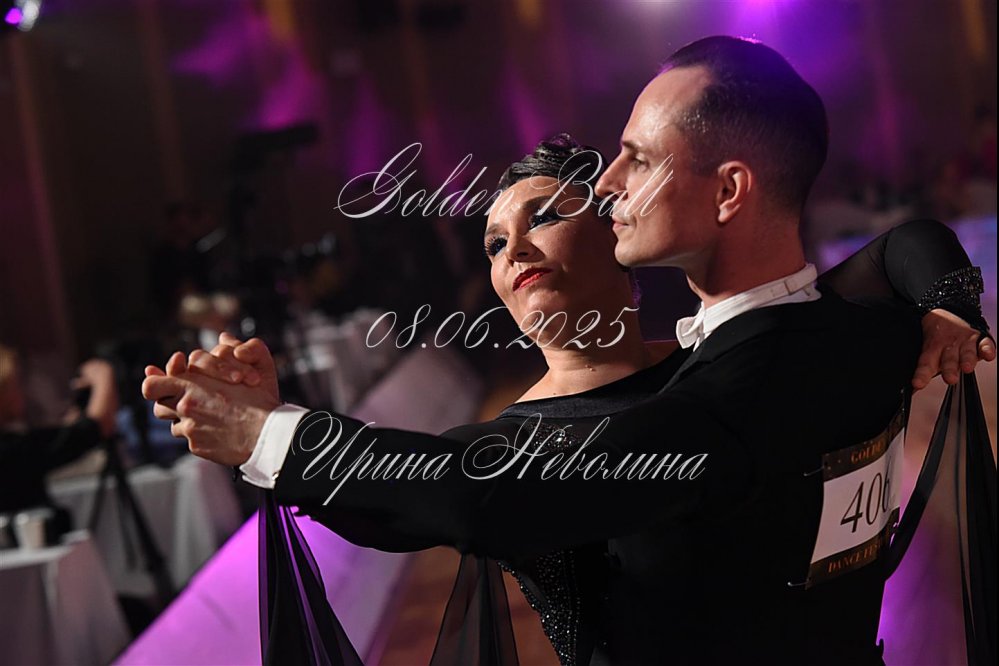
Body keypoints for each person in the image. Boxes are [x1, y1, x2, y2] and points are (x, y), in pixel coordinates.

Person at [143, 38, 995, 665]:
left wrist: (265, 434)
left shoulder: (723, 397)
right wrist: (949, 300)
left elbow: (476, 497)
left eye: (634, 160)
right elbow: (905, 242)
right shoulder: (869, 331)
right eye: (491, 243)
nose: (613, 184)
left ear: (728, 190)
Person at [0, 344, 119, 536]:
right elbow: (95, 428)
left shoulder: (15, 446)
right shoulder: (11, 449)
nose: (23, 392)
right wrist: (103, 376)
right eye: (15, 385)